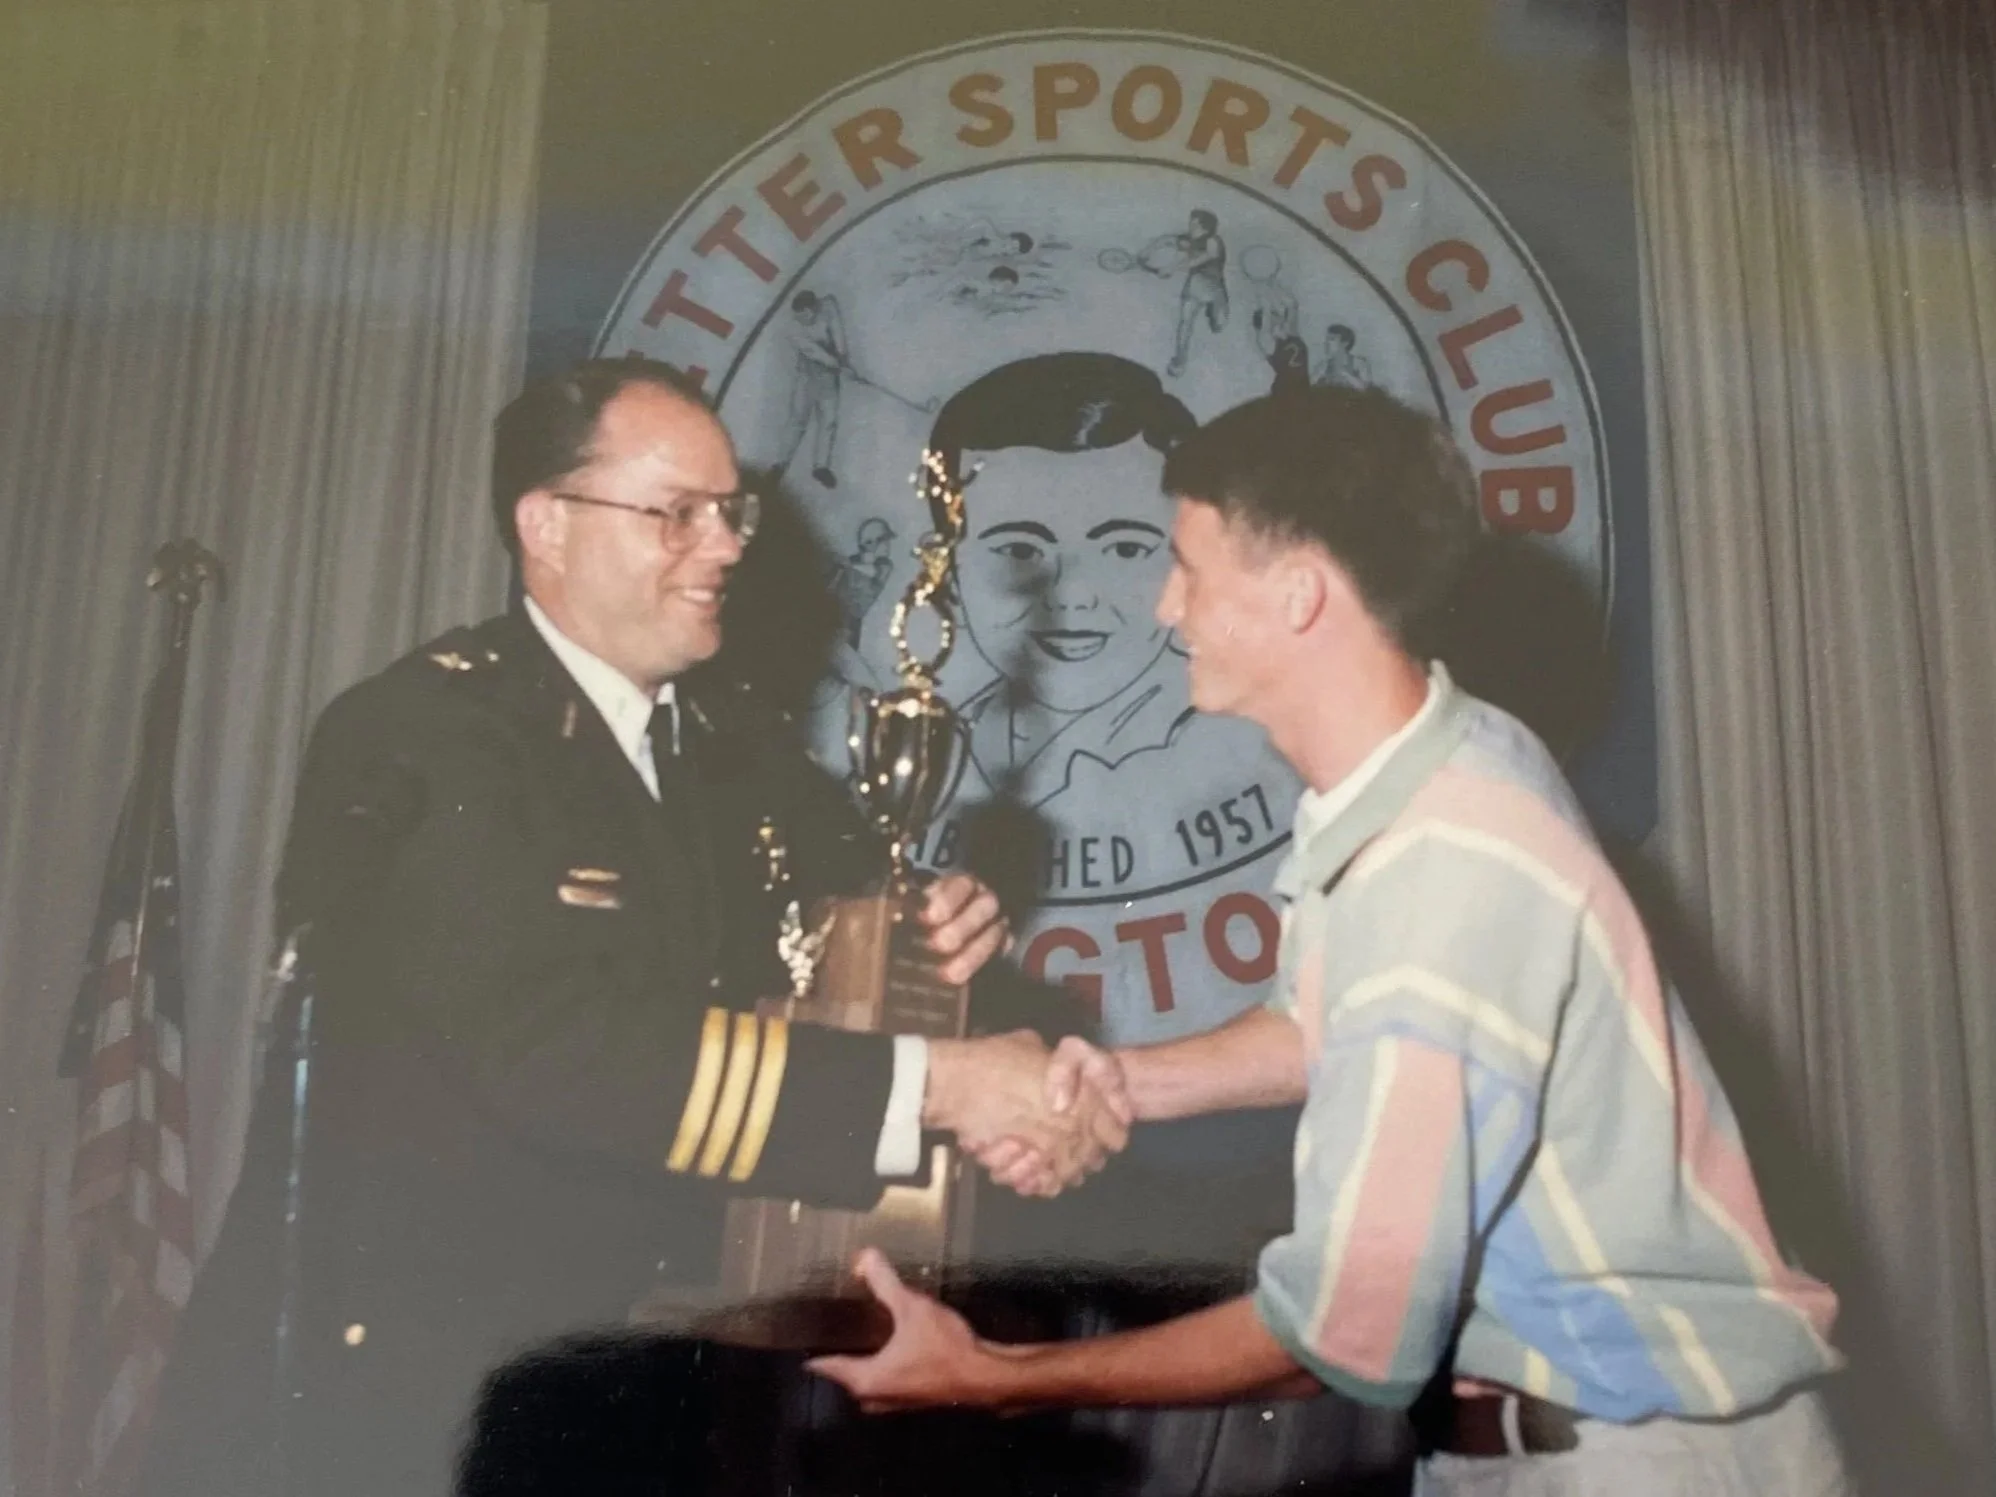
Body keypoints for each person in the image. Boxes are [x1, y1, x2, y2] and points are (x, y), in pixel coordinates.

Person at [812, 384, 1853, 1495]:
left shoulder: (1440, 870)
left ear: (1300, 595)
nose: (1166, 606)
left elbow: (1343, 1335)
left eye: (1188, 568)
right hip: (1555, 1446)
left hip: (1639, 1463)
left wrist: (995, 1377)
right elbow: (1330, 1022)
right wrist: (1114, 1084)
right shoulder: (1443, 754)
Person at [141, 358, 1125, 1497]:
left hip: (625, 1381)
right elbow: (565, 1055)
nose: (724, 547)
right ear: (546, 525)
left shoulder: (731, 756)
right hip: (403, 1404)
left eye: (730, 512)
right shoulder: (425, 738)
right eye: (675, 514)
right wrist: (948, 1087)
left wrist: (951, 949)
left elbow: (857, 947)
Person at [933, 351, 1268, 814]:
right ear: (946, 568)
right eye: (1021, 551)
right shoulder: (935, 747)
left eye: (1126, 550)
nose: (1072, 597)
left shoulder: (1238, 751)